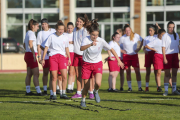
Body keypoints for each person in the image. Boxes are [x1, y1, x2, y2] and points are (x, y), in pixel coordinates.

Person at [80, 19, 124, 107]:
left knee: (98, 83)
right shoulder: (86, 39)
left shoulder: (101, 40)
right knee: (86, 86)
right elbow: (81, 49)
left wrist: (118, 60)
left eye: (96, 35)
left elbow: (111, 49)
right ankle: (83, 100)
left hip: (97, 64)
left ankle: (96, 92)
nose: (95, 37)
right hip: (86, 64)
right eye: (93, 35)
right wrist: (91, 44)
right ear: (89, 33)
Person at [42, 20, 70, 100]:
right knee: (54, 77)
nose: (61, 31)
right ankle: (53, 94)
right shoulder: (51, 36)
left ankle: (63, 93)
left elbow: (67, 48)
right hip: (53, 57)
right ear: (56, 29)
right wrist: (43, 58)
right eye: (59, 29)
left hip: (62, 57)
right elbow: (46, 47)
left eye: (62, 29)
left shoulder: (65, 37)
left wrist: (69, 58)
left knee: (64, 76)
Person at [119, 24, 144, 92]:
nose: (128, 31)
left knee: (137, 71)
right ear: (124, 31)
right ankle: (130, 87)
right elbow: (117, 45)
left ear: (131, 30)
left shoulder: (136, 36)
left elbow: (142, 40)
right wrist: (121, 50)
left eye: (129, 30)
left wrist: (139, 48)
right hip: (126, 56)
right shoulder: (122, 38)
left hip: (134, 55)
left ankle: (140, 87)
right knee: (128, 72)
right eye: (126, 30)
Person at [71, 13, 89, 98]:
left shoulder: (85, 30)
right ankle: (78, 92)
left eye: (80, 21)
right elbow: (76, 41)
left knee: (85, 75)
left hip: (83, 55)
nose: (78, 22)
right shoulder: (74, 29)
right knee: (77, 75)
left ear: (83, 22)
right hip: (76, 55)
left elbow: (86, 42)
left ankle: (89, 91)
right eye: (77, 21)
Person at [37, 18, 56, 95]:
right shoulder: (40, 33)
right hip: (45, 57)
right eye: (42, 24)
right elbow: (39, 45)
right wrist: (39, 57)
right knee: (45, 73)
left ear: (47, 24)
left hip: (53, 56)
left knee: (53, 74)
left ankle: (52, 91)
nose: (44, 25)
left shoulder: (53, 31)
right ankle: (45, 90)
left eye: (45, 24)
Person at [24, 19, 42, 95]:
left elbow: (24, 44)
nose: (38, 28)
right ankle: (38, 91)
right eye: (37, 26)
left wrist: (27, 50)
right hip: (31, 54)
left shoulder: (27, 33)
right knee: (36, 74)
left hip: (27, 54)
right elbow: (30, 43)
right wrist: (33, 54)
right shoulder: (31, 33)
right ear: (33, 26)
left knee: (29, 74)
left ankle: (28, 91)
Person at [162, 21, 180, 96]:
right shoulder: (165, 36)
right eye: (170, 27)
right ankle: (166, 90)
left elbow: (178, 46)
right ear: (167, 28)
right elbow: (163, 47)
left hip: (175, 55)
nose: (171, 29)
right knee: (167, 73)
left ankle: (174, 90)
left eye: (173, 27)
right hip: (167, 55)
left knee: (174, 74)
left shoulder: (176, 35)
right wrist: (164, 57)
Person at [143, 25, 158, 91]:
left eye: (151, 30)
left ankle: (158, 86)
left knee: (156, 71)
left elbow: (163, 33)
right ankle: (147, 87)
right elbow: (144, 48)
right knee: (148, 72)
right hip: (148, 54)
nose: (150, 32)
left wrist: (158, 26)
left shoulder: (156, 37)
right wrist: (145, 50)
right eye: (149, 30)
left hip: (154, 54)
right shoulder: (146, 38)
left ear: (154, 31)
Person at [64, 22, 76, 93]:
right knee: (64, 72)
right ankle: (60, 87)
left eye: (71, 28)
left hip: (73, 53)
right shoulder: (64, 35)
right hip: (66, 53)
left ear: (73, 28)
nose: (70, 29)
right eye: (68, 28)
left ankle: (70, 87)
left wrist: (72, 42)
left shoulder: (75, 34)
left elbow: (78, 42)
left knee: (72, 72)